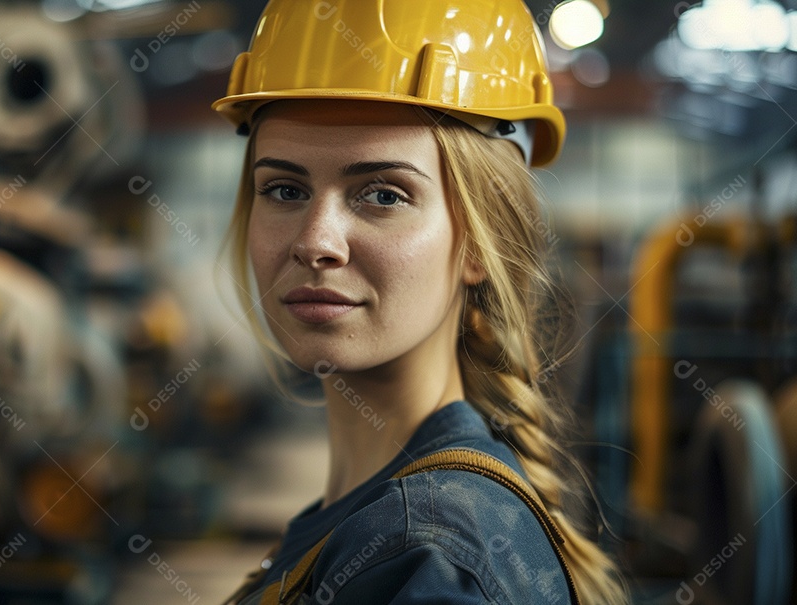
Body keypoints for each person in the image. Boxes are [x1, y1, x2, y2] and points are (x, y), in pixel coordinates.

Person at [212, 1, 628, 604]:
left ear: (478, 246)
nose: (315, 243)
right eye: (284, 189)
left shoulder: (430, 559)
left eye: (382, 194)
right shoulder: (382, 523)